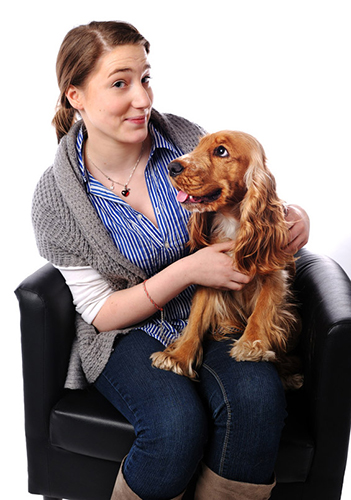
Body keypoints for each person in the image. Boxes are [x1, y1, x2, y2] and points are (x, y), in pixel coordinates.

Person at [32, 21, 310, 500]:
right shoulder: (56, 198)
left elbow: (245, 201)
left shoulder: (185, 138)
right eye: (120, 83)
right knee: (175, 427)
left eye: (145, 78)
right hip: (126, 332)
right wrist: (187, 270)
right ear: (75, 95)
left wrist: (297, 216)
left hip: (220, 313)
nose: (142, 98)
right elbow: (99, 312)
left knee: (258, 401)